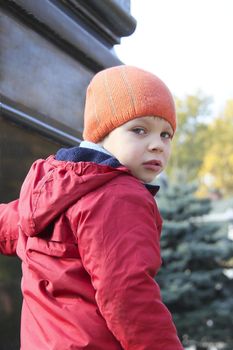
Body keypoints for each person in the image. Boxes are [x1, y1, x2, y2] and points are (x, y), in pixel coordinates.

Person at [0, 65, 184, 349]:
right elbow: (128, 295)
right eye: (139, 130)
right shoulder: (120, 196)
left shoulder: (50, 191)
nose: (157, 145)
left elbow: (9, 225)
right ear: (102, 134)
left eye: (166, 135)